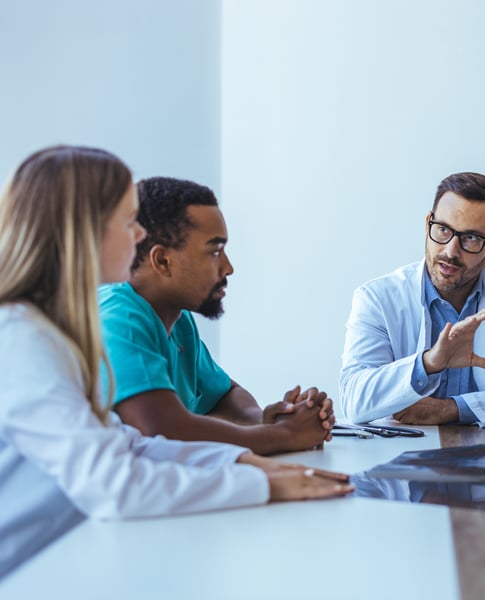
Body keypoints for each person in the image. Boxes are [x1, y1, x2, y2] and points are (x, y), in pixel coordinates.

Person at [0, 146, 353, 579]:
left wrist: (241, 463)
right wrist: (261, 482)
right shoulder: (23, 340)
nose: (138, 237)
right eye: (128, 222)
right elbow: (113, 484)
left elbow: (125, 443)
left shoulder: (53, 331)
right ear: (85, 231)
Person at [98, 177, 334, 456]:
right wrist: (284, 434)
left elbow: (223, 395)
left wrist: (264, 419)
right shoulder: (118, 317)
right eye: (215, 251)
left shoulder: (177, 319)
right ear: (162, 261)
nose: (228, 267)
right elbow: (161, 427)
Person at [340, 172, 485, 426]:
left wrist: (452, 409)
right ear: (428, 224)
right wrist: (427, 364)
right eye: (442, 230)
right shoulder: (377, 298)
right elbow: (354, 401)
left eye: (471, 238)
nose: (451, 251)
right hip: (401, 455)